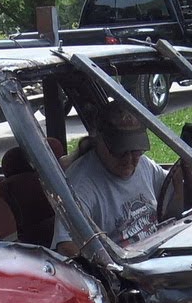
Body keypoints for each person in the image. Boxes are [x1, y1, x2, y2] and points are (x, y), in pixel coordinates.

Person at [53, 105, 166, 257]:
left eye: (135, 151)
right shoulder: (80, 186)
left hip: (157, 252)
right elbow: (68, 248)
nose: (129, 159)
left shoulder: (144, 165)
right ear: (99, 141)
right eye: (120, 151)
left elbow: (172, 186)